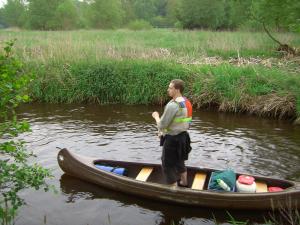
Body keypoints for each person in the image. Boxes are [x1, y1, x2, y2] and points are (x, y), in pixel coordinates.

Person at [152, 79, 192, 187]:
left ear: (177, 89)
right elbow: (181, 123)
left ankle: (174, 189)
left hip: (172, 140)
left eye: (170, 88)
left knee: (166, 164)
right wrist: (163, 132)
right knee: (179, 160)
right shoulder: (185, 102)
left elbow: (161, 125)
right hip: (183, 137)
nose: (168, 90)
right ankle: (184, 182)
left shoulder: (172, 105)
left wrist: (156, 116)